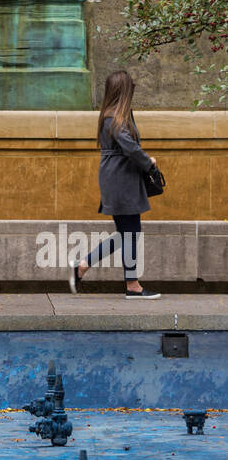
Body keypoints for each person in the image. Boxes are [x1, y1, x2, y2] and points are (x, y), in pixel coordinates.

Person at [70, 69, 161, 298]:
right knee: (130, 232)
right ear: (123, 91)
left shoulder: (116, 115)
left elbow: (128, 145)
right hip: (121, 180)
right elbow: (129, 147)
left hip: (121, 178)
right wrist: (148, 163)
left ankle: (83, 267)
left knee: (126, 233)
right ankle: (132, 286)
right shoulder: (114, 117)